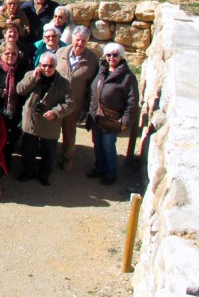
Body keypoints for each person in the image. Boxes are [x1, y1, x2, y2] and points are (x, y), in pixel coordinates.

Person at [16, 53, 73, 186]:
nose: (47, 68)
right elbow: (20, 90)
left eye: (50, 66)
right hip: (31, 120)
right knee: (28, 150)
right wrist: (33, 78)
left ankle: (44, 174)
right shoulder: (31, 74)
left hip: (50, 122)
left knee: (48, 152)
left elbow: (70, 104)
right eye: (44, 65)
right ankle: (28, 172)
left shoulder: (64, 83)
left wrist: (56, 112)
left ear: (55, 66)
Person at [87, 43, 139, 185]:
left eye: (115, 55)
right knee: (97, 144)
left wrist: (125, 122)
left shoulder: (128, 77)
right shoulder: (102, 71)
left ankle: (110, 173)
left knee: (108, 146)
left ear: (121, 56)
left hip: (112, 119)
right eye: (108, 55)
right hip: (97, 116)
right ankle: (99, 168)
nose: (111, 58)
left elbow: (132, 101)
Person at [54, 25, 100, 171]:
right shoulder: (60, 52)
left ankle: (67, 159)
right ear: (72, 38)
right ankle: (48, 157)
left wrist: (87, 107)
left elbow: (92, 86)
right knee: (51, 131)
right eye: (78, 40)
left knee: (69, 133)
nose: (80, 43)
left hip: (75, 103)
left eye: (84, 41)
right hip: (56, 101)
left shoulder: (92, 60)